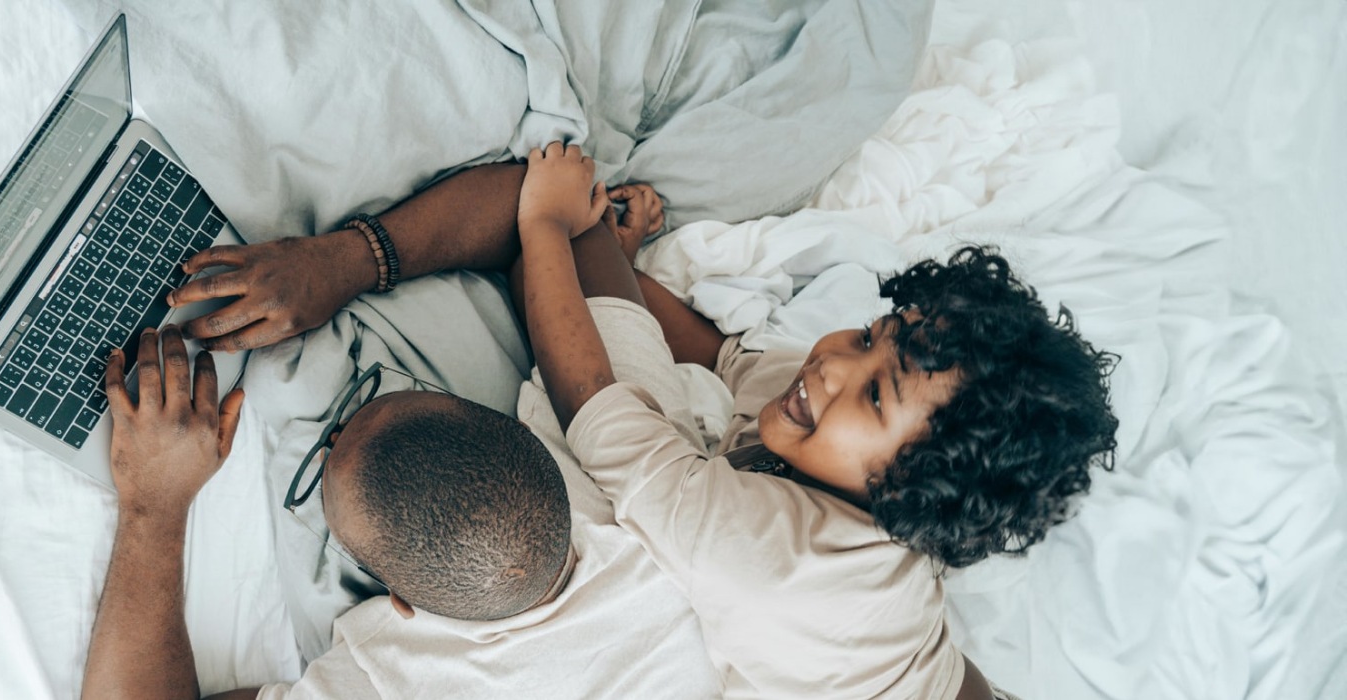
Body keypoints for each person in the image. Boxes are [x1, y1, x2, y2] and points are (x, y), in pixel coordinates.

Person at [510, 143, 1121, 699]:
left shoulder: (785, 559)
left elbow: (601, 416)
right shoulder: (821, 409)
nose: (833, 363)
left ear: (920, 489)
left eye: (877, 396)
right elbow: (722, 355)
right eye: (866, 336)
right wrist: (623, 267)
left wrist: (544, 224)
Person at [79, 324, 723, 699]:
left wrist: (155, 505)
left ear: (402, 607)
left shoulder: (392, 680)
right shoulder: (662, 503)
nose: (329, 437)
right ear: (540, 442)